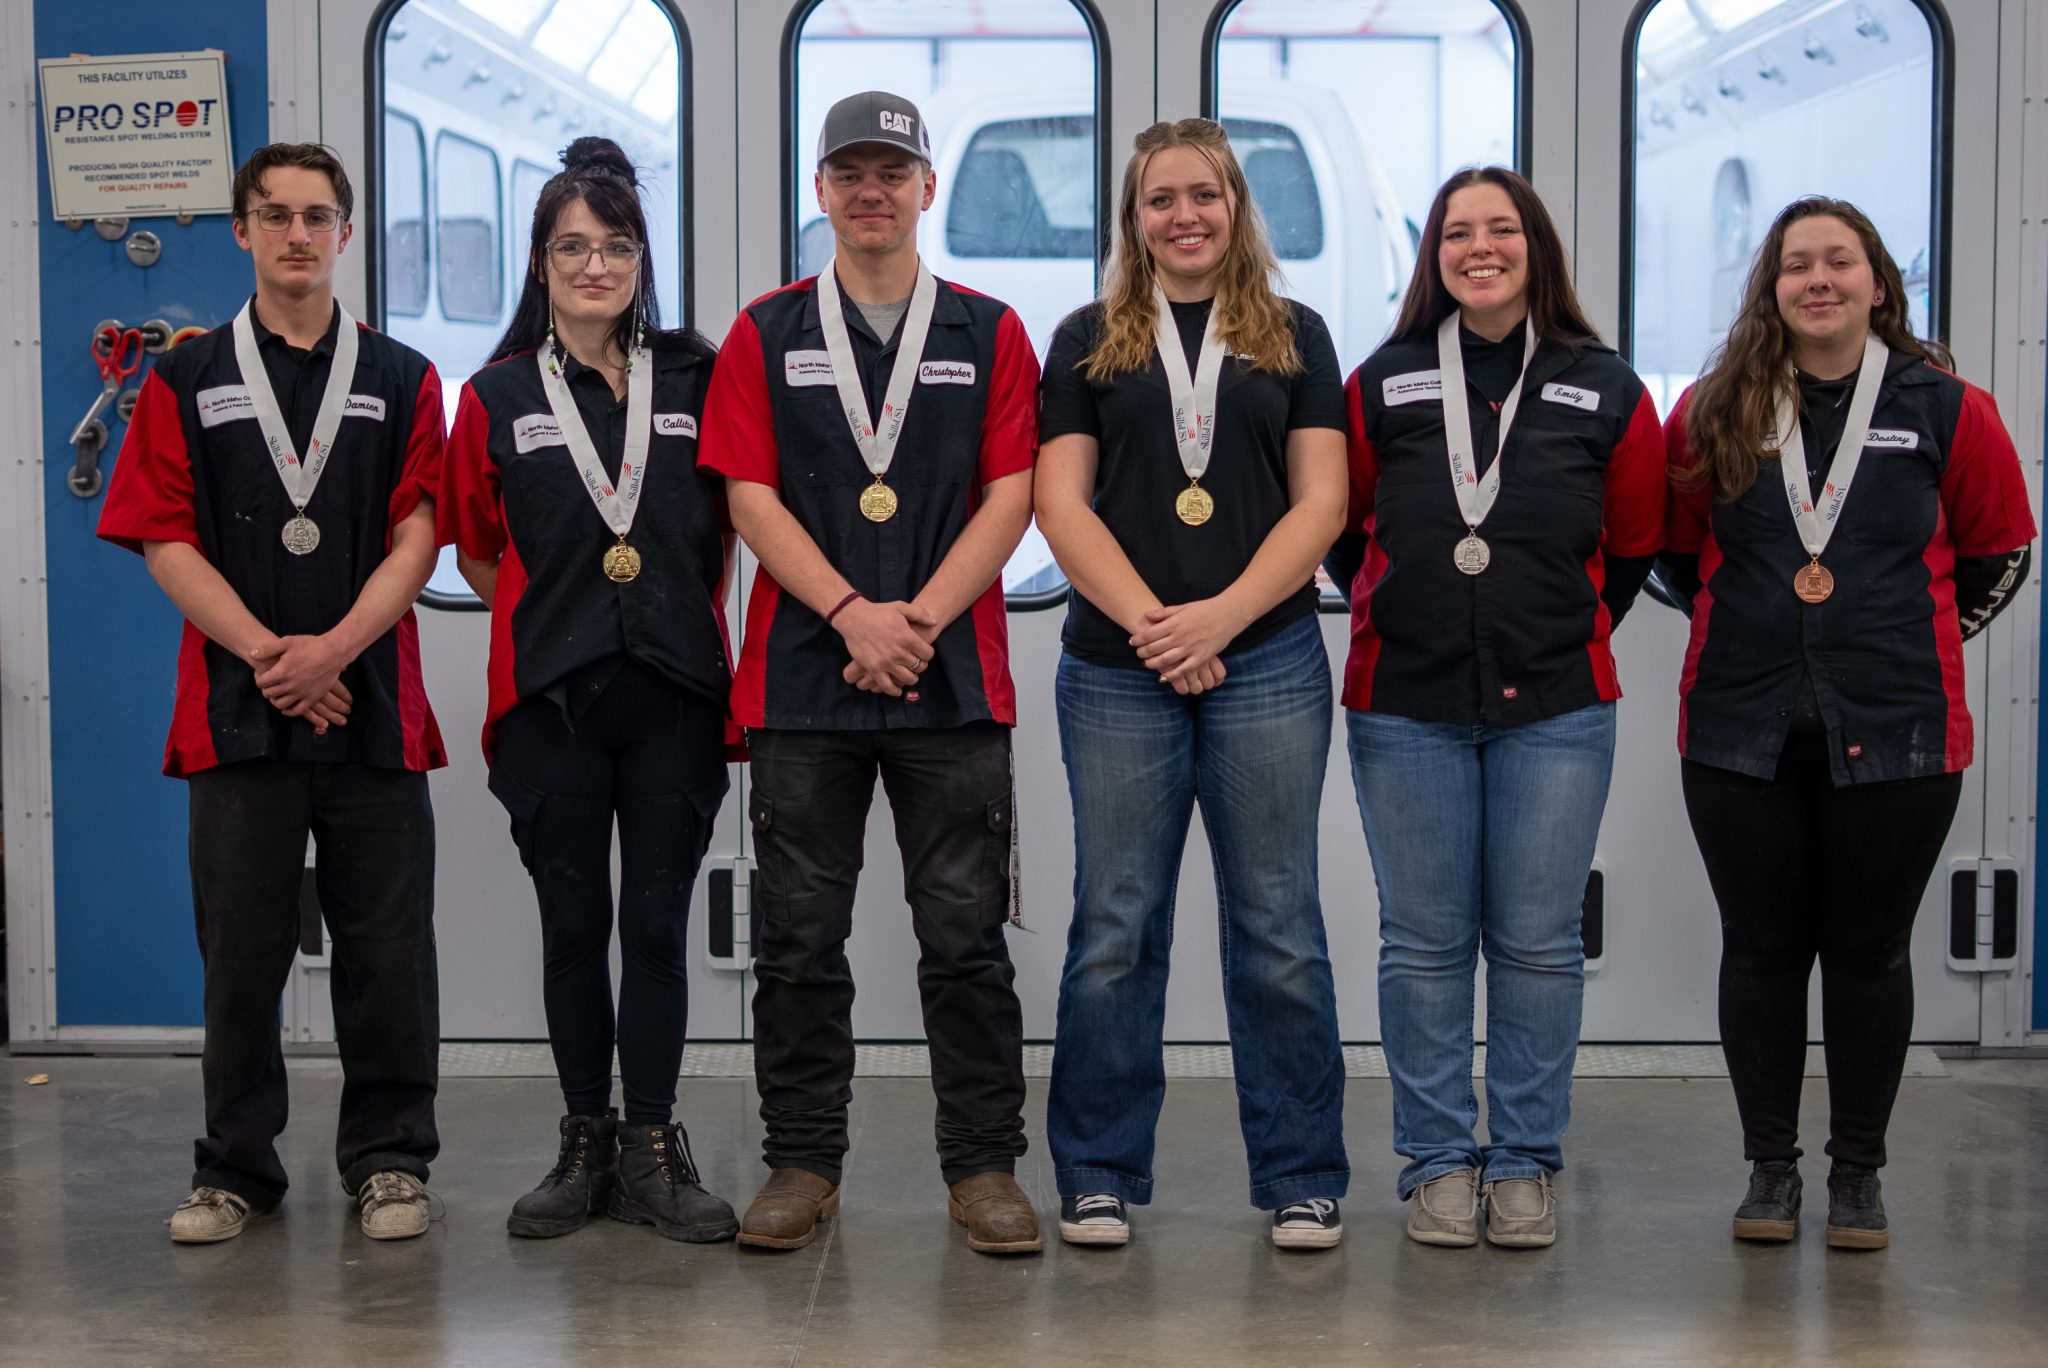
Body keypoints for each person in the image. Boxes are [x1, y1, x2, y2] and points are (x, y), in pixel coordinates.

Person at [697, 91, 1042, 1255]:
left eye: (891, 171)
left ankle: (982, 1169)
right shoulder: (762, 333)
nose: (870, 191)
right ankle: (801, 1163)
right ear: (821, 192)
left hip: (951, 688)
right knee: (797, 940)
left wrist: (919, 621)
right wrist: (852, 613)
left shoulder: (991, 332)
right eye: (848, 172)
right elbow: (747, 494)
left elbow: (1013, 495)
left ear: (926, 188)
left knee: (964, 939)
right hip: (803, 680)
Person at [1660, 196, 2035, 1251]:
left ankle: (1857, 1176)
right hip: (1738, 727)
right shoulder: (1714, 408)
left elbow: (1999, 551)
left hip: (1900, 727)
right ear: (1769, 289)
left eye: (1837, 262)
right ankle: (1769, 1171)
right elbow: (1672, 553)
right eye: (1793, 266)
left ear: (1877, 280)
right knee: (1762, 950)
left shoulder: (1948, 408)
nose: (1815, 280)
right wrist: (1760, 628)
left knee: (1868, 952)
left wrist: (1904, 637)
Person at [96, 143, 447, 1244]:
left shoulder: (403, 379)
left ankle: (390, 1159)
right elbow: (160, 534)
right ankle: (234, 1169)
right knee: (240, 952)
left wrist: (334, 650)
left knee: (388, 952)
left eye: (317, 216)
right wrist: (273, 657)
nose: (298, 235)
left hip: (373, 708)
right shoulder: (183, 380)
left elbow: (419, 532)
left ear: (346, 233)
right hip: (236, 712)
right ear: (241, 231)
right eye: (275, 216)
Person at [1327, 166, 1665, 1249]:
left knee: (1535, 944)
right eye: (1456, 233)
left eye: (1501, 230)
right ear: (1432, 256)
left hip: (1557, 703)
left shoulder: (1603, 386)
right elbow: (1345, 531)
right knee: (1422, 944)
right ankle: (1434, 1160)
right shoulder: (1379, 380)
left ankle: (1521, 1161)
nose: (1479, 248)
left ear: (1536, 248)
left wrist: (1548, 620)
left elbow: (1632, 545)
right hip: (1404, 700)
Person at [1034, 118, 1350, 1250]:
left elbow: (1322, 503)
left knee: (1277, 925)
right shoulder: (1084, 341)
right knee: (1114, 926)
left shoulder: (1296, 336)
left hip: (1263, 661)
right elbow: (1058, 507)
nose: (1182, 216)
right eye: (1159, 199)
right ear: (1133, 220)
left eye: (1202, 195)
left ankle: (1303, 1174)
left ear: (1234, 208)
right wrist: (1157, 627)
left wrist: (1218, 618)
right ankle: (1098, 1172)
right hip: (1117, 672)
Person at [439, 138, 739, 1244]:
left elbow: (727, 522)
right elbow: (478, 547)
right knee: (572, 925)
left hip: (673, 692)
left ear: (640, 256)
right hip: (550, 706)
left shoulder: (699, 376)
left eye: (614, 246)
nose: (594, 266)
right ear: (540, 261)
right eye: (572, 246)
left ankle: (654, 1147)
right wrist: (556, 609)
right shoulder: (497, 394)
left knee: (654, 927)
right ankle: (582, 1145)